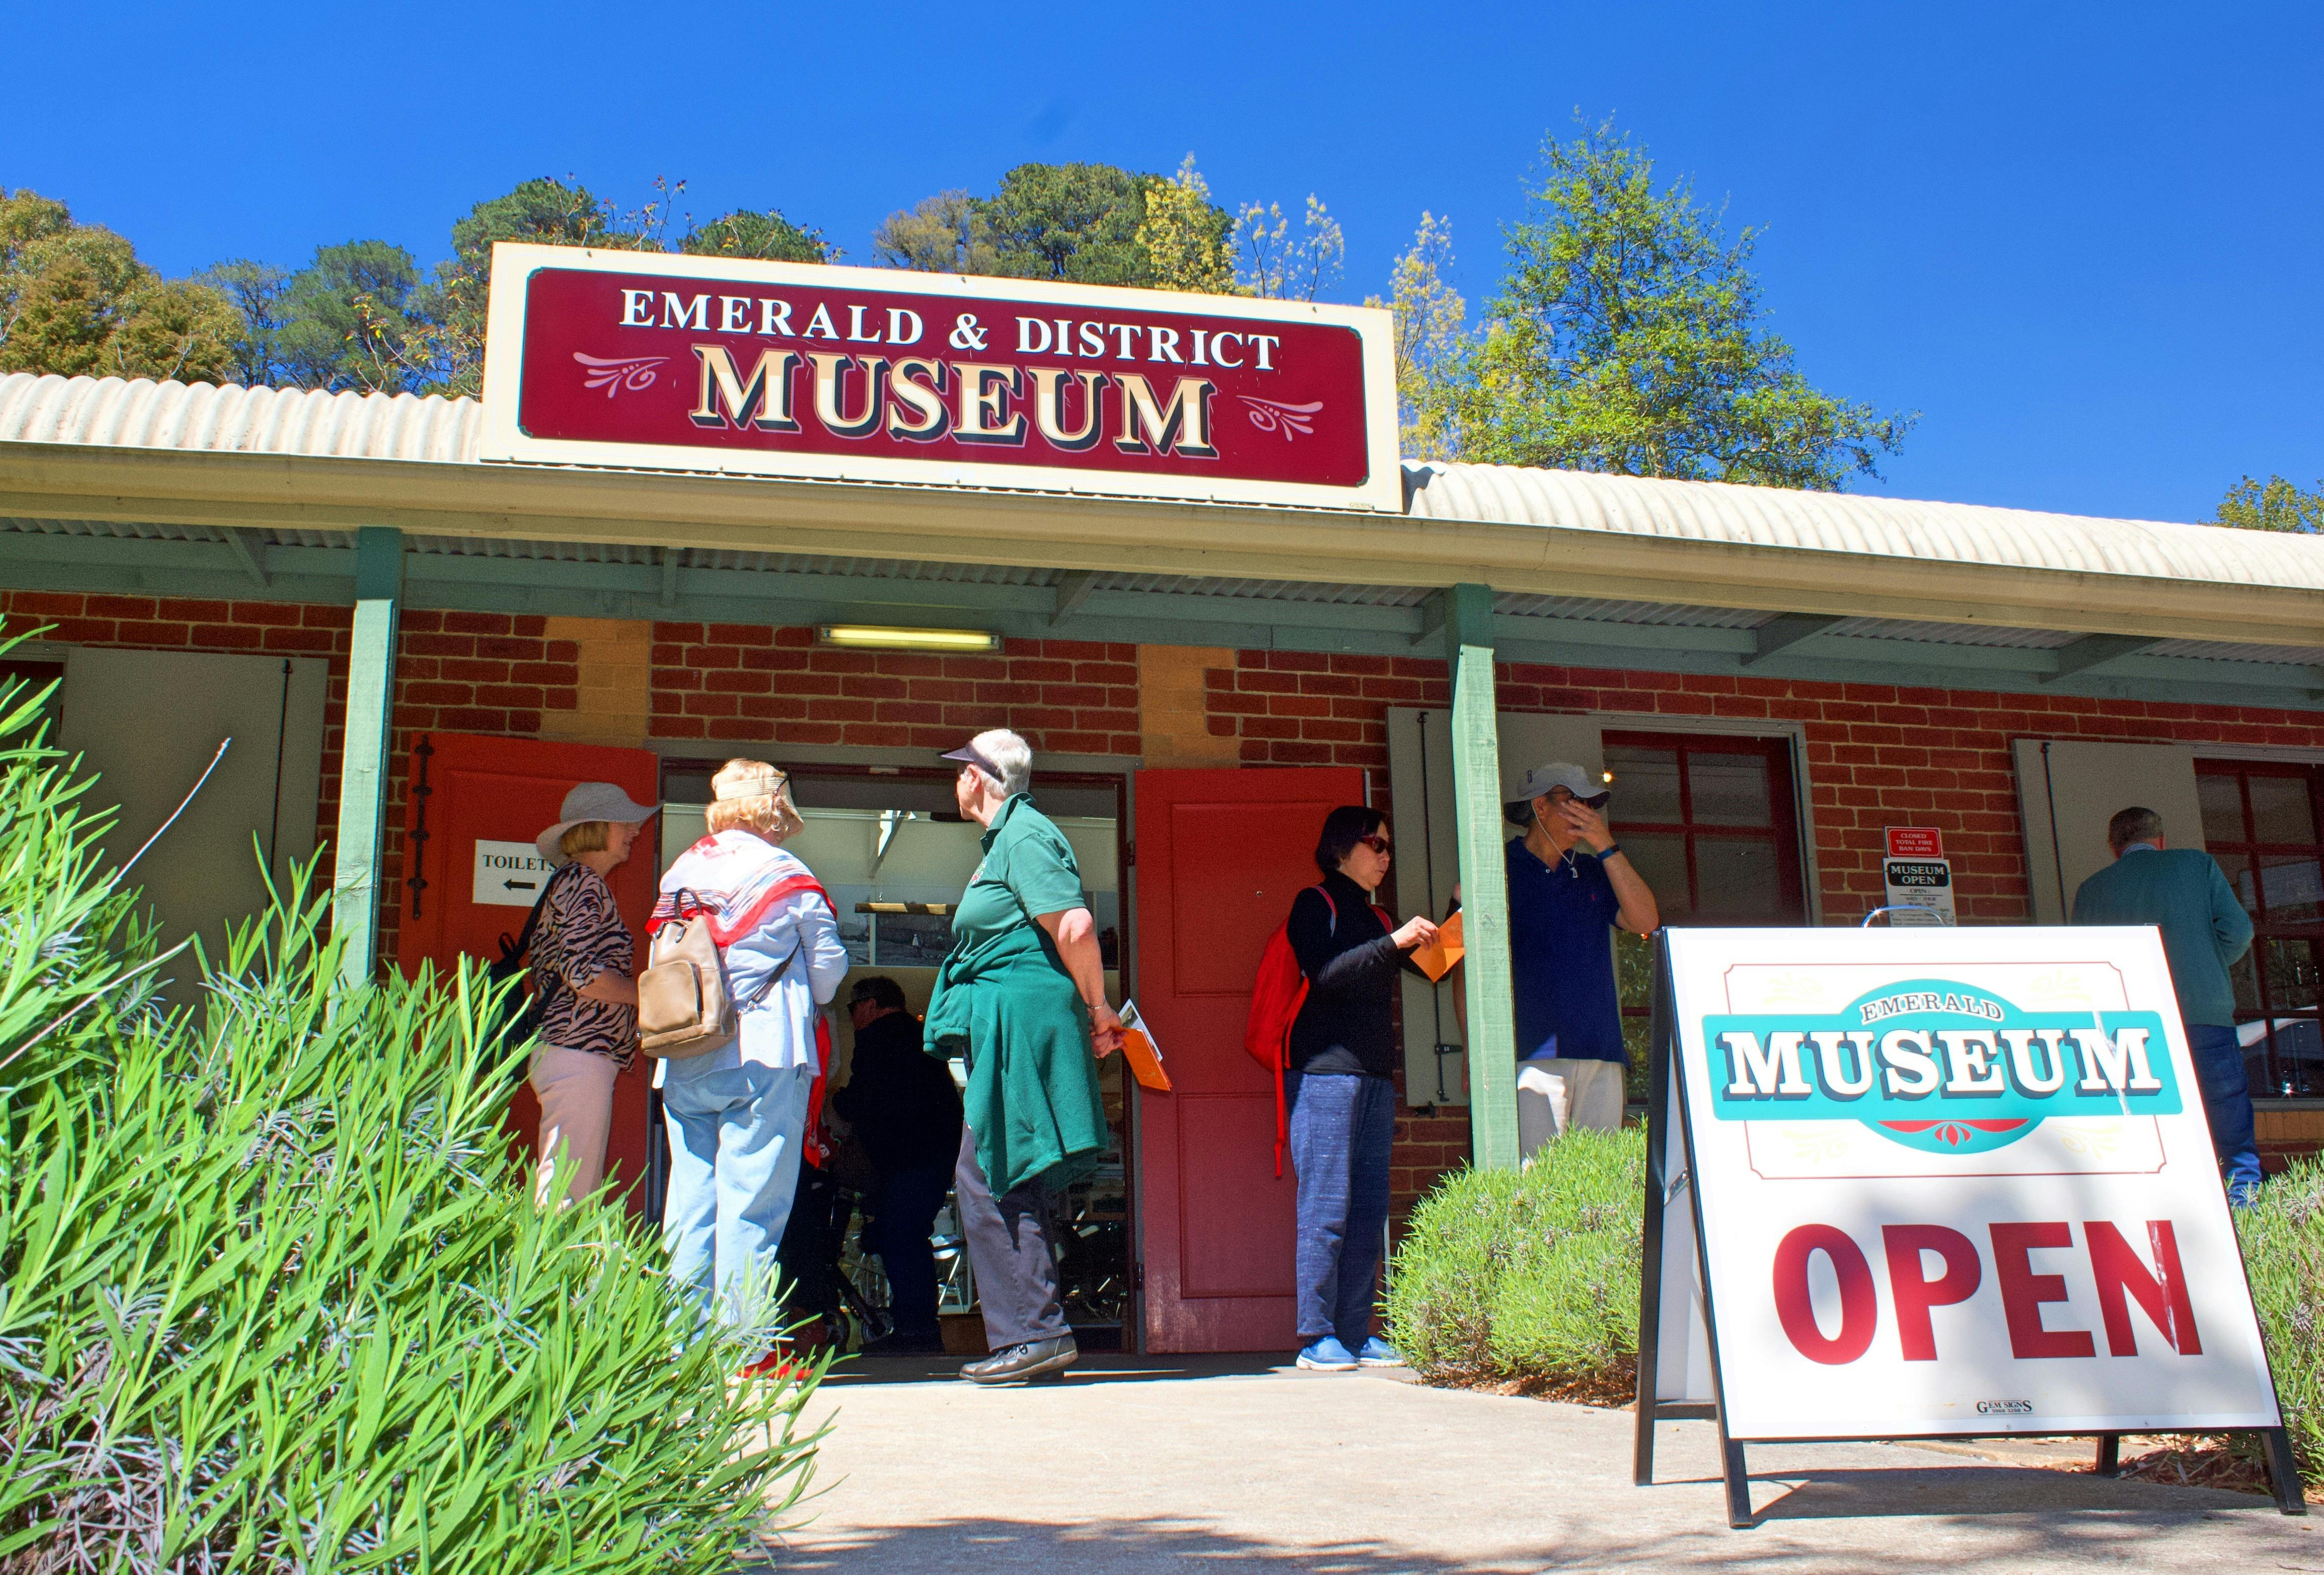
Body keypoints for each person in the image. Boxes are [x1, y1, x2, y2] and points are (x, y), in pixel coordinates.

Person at [925, 728, 1123, 1385]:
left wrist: (1099, 1011)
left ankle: (1034, 1333)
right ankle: (1036, 1334)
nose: (953, 783)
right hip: (1008, 1020)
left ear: (980, 778)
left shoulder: (1025, 835)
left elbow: (1073, 925)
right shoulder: (1007, 839)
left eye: (959, 772)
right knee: (1005, 1171)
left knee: (986, 1170)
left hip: (1023, 1018)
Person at [653, 760, 851, 1348]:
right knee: (753, 1204)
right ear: (772, 812)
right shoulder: (785, 871)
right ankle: (738, 1345)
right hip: (766, 1049)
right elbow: (827, 975)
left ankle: (676, 1344)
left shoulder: (681, 871)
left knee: (689, 1202)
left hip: (686, 1051)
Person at [1284, 805, 1439, 1373]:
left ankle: (1354, 1332)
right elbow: (1323, 973)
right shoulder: (1314, 903)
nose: (1385, 856)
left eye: (1388, 847)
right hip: (1323, 1073)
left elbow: (1434, 967)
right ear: (1342, 849)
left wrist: (1455, 911)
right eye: (1376, 844)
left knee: (1366, 1206)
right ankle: (1315, 1335)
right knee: (1324, 1205)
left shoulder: (1378, 920)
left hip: (1374, 1076)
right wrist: (1392, 940)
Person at [2071, 805, 2261, 1204]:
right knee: (2226, 1115)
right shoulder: (2197, 865)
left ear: (2114, 847)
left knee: (2149, 1123)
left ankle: (2167, 1207)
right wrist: (2207, 963)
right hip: (2202, 1012)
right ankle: (2244, 1200)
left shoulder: (2091, 890)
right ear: (2161, 840)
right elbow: (2240, 931)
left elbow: (2082, 964)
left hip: (2128, 1026)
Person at [1501, 762, 1658, 1152]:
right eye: (1575, 801)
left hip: (1601, 1051)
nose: (1586, 812)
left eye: (1591, 804)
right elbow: (1463, 964)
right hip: (1533, 1053)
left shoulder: (1593, 869)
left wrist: (1606, 845)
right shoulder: (1500, 868)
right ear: (1541, 806)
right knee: (1537, 1182)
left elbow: (1646, 920)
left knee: (1597, 1184)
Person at [527, 781, 656, 1208]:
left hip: (570, 1050)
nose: (636, 830)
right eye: (626, 822)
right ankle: (547, 1272)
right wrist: (649, 996)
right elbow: (583, 974)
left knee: (566, 1181)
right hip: (579, 1051)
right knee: (566, 1190)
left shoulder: (573, 882)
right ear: (597, 828)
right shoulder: (583, 884)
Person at [830, 975, 965, 1355]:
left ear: (870, 1005)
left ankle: (917, 1330)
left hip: (908, 1159)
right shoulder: (920, 1037)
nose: (853, 1015)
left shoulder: (877, 1038)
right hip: (935, 1154)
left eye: (852, 1007)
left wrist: (835, 1107)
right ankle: (916, 1325)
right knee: (905, 1237)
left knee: (900, 1239)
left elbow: (864, 1097)